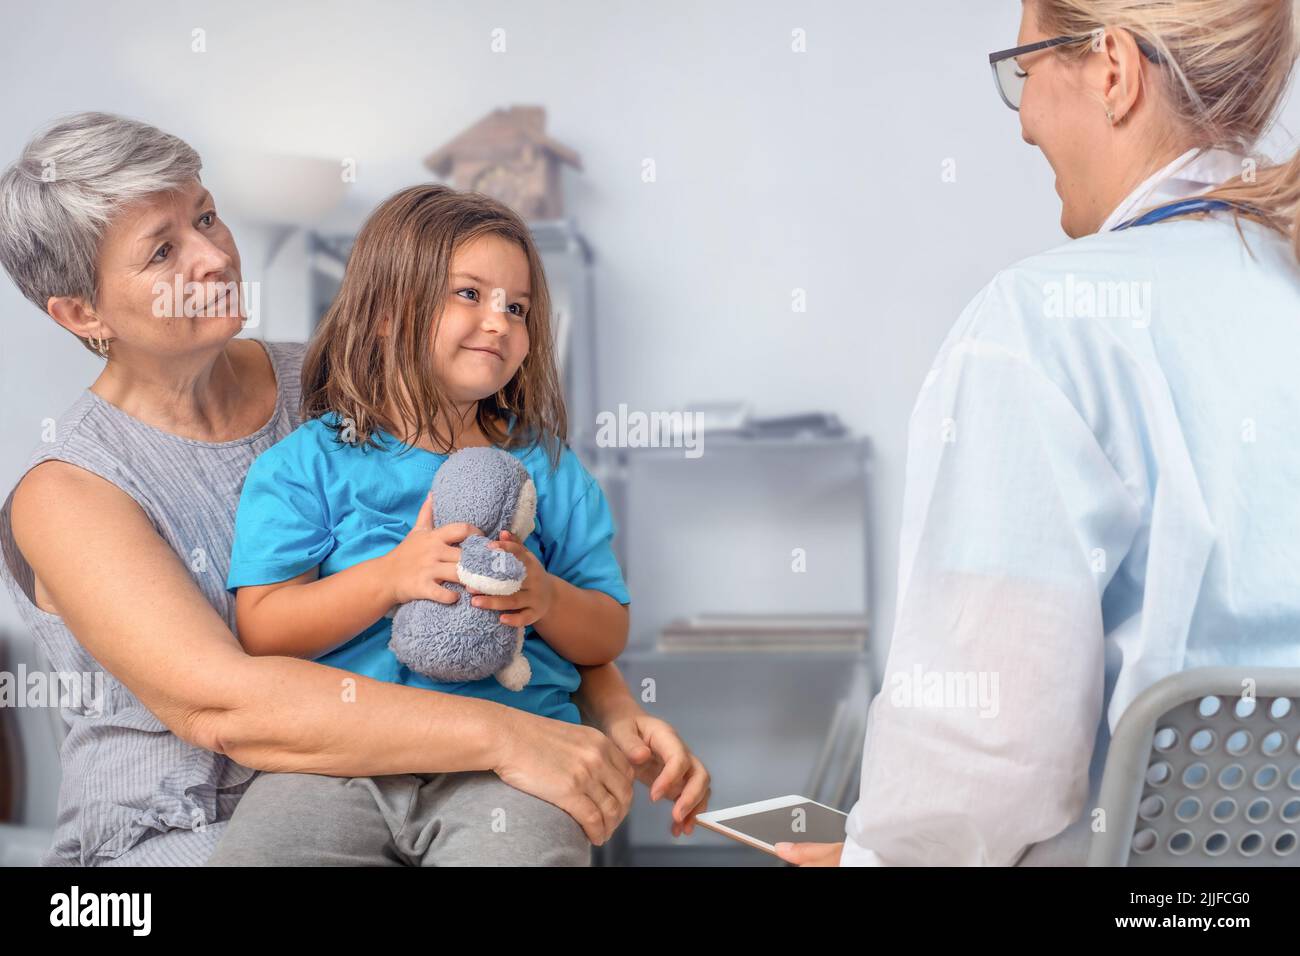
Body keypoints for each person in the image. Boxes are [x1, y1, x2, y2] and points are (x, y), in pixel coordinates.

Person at [0, 112, 709, 866]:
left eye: (206, 215)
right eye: (164, 249)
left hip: (421, 794)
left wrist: (613, 710)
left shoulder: (351, 385)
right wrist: (511, 736)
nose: (214, 256)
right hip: (182, 834)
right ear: (84, 312)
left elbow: (531, 577)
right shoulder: (69, 490)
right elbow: (228, 706)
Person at [778, 0, 1300, 866]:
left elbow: (987, 763)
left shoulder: (1040, 326)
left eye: (1025, 71)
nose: (1021, 121)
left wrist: (868, 860)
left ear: (1113, 70)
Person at [209, 184, 636, 865]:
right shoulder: (308, 463)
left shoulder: (549, 469)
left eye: (517, 307)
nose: (498, 321)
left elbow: (607, 631)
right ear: (383, 312)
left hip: (514, 763)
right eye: (469, 293)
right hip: (338, 763)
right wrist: (388, 579)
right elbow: (263, 629)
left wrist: (548, 599)